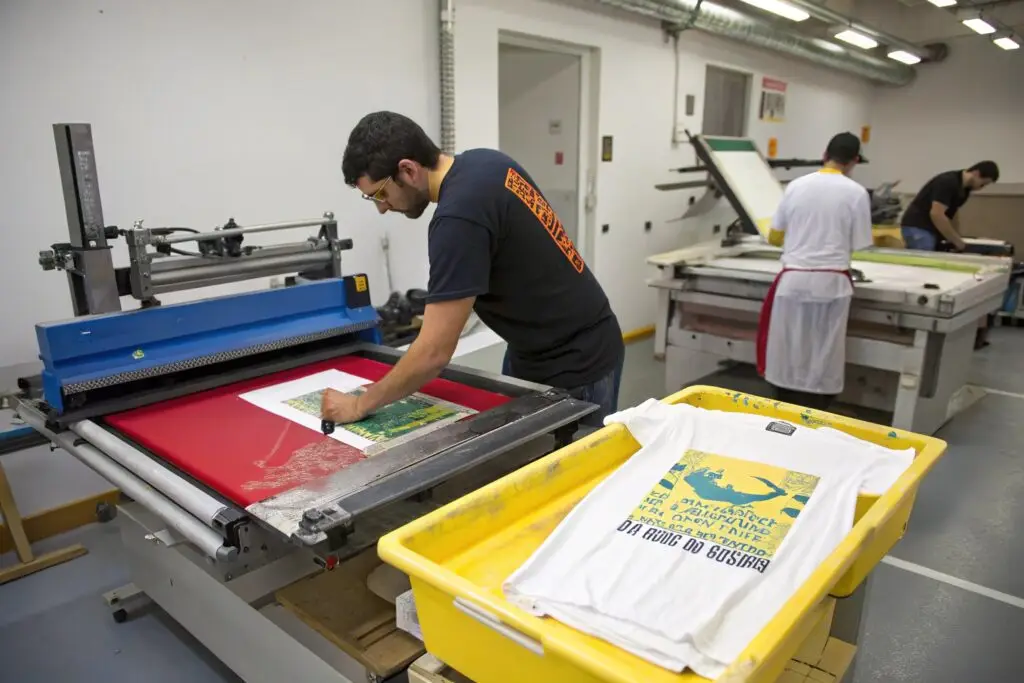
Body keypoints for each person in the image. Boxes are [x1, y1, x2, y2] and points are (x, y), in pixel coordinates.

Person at [322, 111, 624, 427]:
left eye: (380, 194)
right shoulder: (485, 163)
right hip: (547, 346)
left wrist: (358, 405)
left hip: (577, 365)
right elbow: (514, 258)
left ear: (408, 170)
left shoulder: (457, 218)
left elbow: (433, 354)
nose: (382, 207)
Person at [755, 132, 873, 411]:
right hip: (831, 283)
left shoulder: (795, 186)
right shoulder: (856, 193)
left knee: (787, 345)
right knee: (824, 348)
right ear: (854, 161)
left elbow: (775, 237)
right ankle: (816, 408)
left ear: (825, 155)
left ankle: (783, 406)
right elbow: (862, 244)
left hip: (793, 280)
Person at [900, 161, 1000, 252]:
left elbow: (951, 215)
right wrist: (956, 240)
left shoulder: (964, 190)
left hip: (932, 229)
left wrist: (956, 237)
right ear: (976, 173)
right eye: (983, 184)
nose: (981, 188)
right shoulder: (948, 182)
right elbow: (936, 214)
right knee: (925, 262)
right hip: (918, 227)